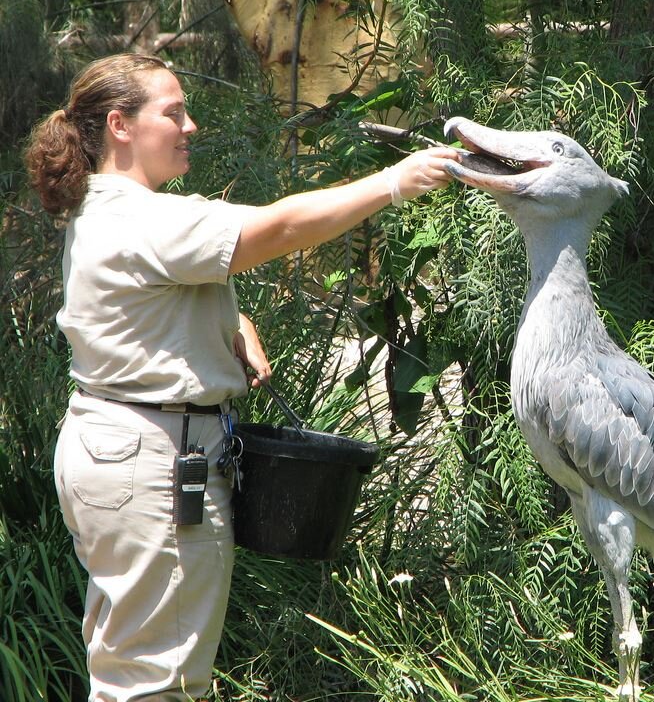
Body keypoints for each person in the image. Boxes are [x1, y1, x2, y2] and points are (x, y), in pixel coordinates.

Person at [23, 52, 458, 701]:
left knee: (131, 668)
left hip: (117, 445)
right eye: (173, 112)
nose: (190, 125)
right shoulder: (143, 218)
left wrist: (229, 324)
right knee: (158, 683)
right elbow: (277, 227)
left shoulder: (110, 211)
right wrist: (393, 183)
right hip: (153, 461)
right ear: (120, 125)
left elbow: (143, 304)